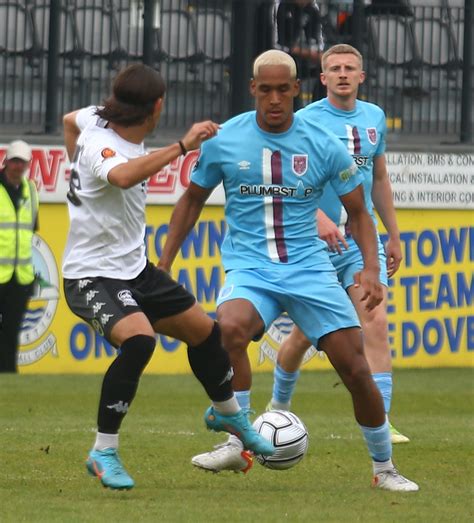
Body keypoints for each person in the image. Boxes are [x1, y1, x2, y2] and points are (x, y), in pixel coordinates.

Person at [158, 50, 418, 491]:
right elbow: (191, 201)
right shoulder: (225, 140)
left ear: (297, 90)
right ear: (253, 90)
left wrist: (371, 268)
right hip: (251, 266)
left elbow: (358, 212)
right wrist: (164, 264)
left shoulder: (321, 142)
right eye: (266, 90)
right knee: (229, 329)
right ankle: (234, 441)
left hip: (309, 270)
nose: (275, 98)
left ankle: (384, 469)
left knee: (354, 367)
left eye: (283, 89)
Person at [61, 63, 274, 491]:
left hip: (134, 269)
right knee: (139, 341)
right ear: (158, 106)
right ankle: (103, 451)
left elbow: (69, 121)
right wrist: (182, 145)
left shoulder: (90, 118)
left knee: (205, 332)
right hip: (91, 274)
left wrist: (73, 171)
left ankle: (228, 413)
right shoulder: (102, 141)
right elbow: (121, 176)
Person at [268, 43, 409, 445]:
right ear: (323, 78)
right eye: (335, 68)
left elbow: (379, 179)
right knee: (304, 334)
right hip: (309, 241)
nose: (343, 73)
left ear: (361, 77)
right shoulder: (305, 120)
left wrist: (393, 234)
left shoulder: (374, 118)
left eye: (350, 68)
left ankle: (382, 419)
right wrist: (319, 218)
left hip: (358, 241)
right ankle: (278, 408)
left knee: (375, 322)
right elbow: (284, 182)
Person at [0, 140, 38, 373]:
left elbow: (31, 229)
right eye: (14, 161)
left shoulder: (31, 190)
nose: (18, 166)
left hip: (20, 277)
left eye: (22, 162)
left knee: (12, 332)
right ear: (6, 161)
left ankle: (8, 377)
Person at [273, 0, 326, 108]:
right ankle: (295, 110)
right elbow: (276, 43)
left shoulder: (313, 8)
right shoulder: (279, 6)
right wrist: (304, 52)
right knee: (291, 69)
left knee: (327, 66)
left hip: (305, 55)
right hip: (280, 56)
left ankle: (318, 107)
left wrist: (317, 53)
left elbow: (318, 41)